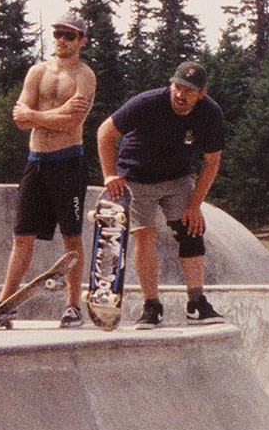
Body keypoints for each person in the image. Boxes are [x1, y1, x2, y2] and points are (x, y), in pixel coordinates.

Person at [0, 12, 97, 327]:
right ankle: (4, 303)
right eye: (58, 33)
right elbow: (20, 120)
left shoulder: (85, 76)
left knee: (71, 237)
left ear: (81, 41)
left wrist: (35, 114)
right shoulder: (37, 72)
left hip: (68, 161)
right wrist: (48, 114)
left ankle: (73, 306)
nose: (62, 40)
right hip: (36, 161)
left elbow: (72, 122)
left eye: (70, 35)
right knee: (22, 236)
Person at [96, 60, 226, 327]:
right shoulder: (147, 103)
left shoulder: (210, 113)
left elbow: (212, 161)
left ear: (201, 93)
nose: (180, 95)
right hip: (136, 177)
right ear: (171, 84)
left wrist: (195, 205)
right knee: (144, 237)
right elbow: (105, 132)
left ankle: (196, 302)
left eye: (189, 91)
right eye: (177, 87)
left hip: (177, 178)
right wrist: (110, 174)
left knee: (191, 230)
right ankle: (152, 305)